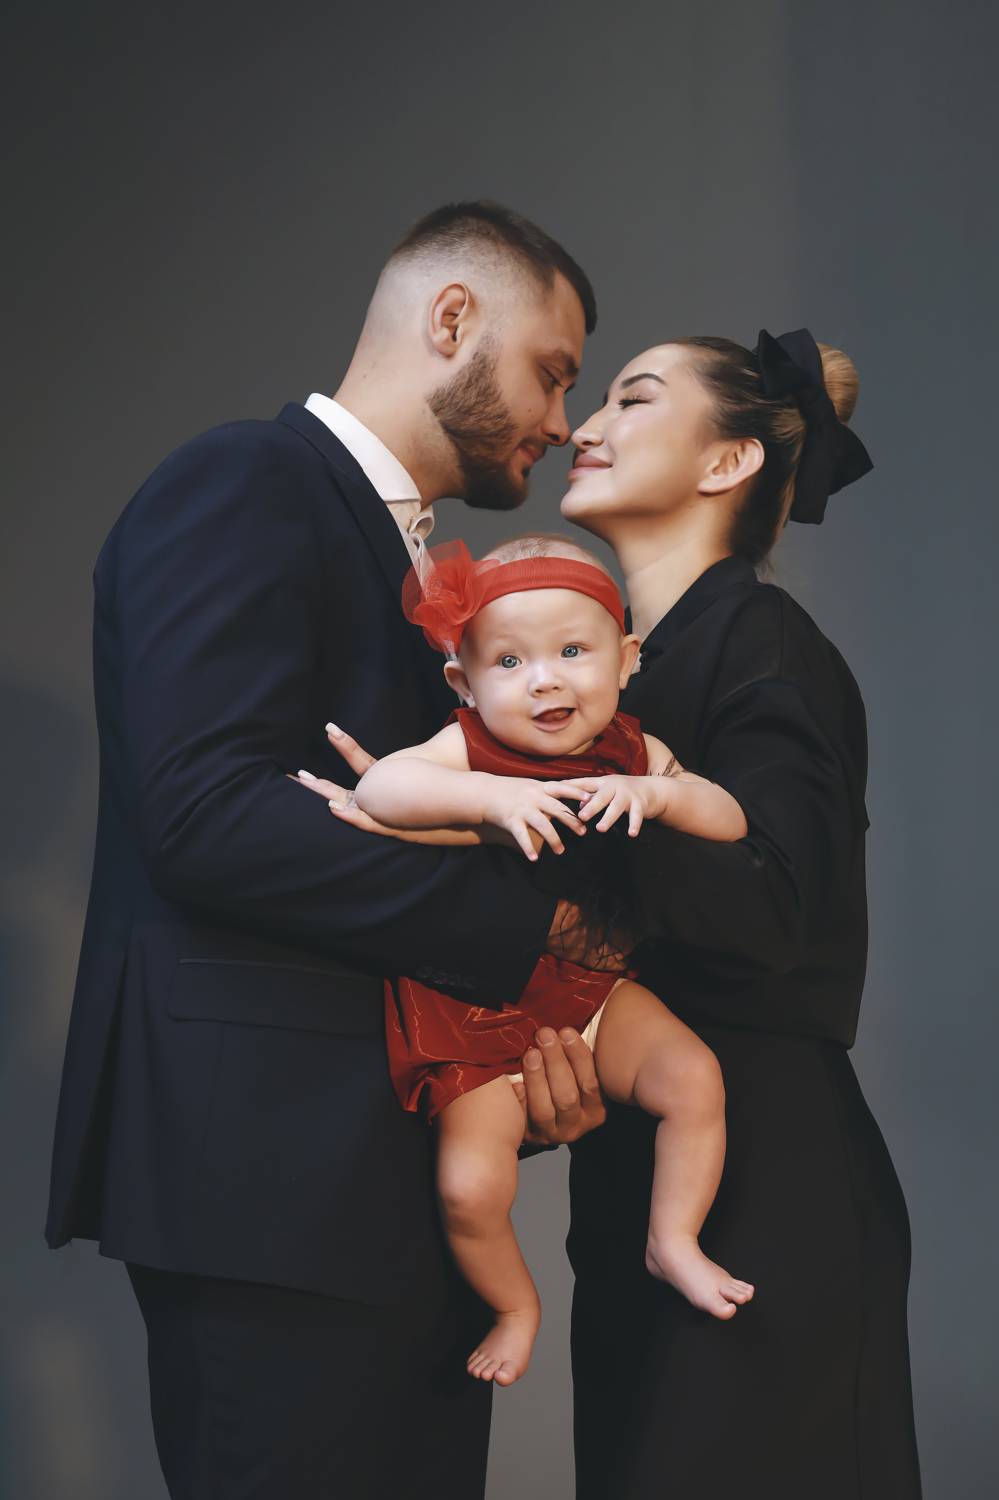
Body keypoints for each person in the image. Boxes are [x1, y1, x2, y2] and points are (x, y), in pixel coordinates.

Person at [44, 201, 610, 1500]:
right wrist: (529, 942)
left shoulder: (426, 576)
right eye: (552, 371)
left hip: (386, 1191)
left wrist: (509, 1067)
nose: (562, 419)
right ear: (451, 318)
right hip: (269, 1186)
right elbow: (204, 813)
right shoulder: (242, 481)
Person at [560, 329, 923, 1497]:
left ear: (728, 463)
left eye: (633, 398)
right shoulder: (615, 675)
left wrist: (567, 861)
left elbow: (776, 904)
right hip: (640, 1181)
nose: (584, 426)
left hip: (768, 1190)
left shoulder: (763, 642)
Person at [296, 532, 754, 1386]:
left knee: (693, 1080)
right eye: (508, 662)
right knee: (470, 1187)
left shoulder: (633, 750)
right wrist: (489, 797)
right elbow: (384, 788)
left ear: (626, 661)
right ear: (463, 685)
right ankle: (515, 1305)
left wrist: (660, 793)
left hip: (592, 990)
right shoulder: (470, 748)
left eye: (573, 651)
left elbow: (729, 820)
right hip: (471, 1014)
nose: (544, 679)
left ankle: (672, 1238)